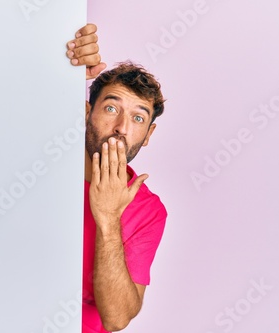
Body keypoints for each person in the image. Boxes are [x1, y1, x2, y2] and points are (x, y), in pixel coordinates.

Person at [66, 24, 167, 332]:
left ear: (148, 134)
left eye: (138, 117)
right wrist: (62, 67)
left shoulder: (149, 210)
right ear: (86, 113)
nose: (122, 127)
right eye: (111, 107)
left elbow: (116, 318)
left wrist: (108, 219)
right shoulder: (39, 168)